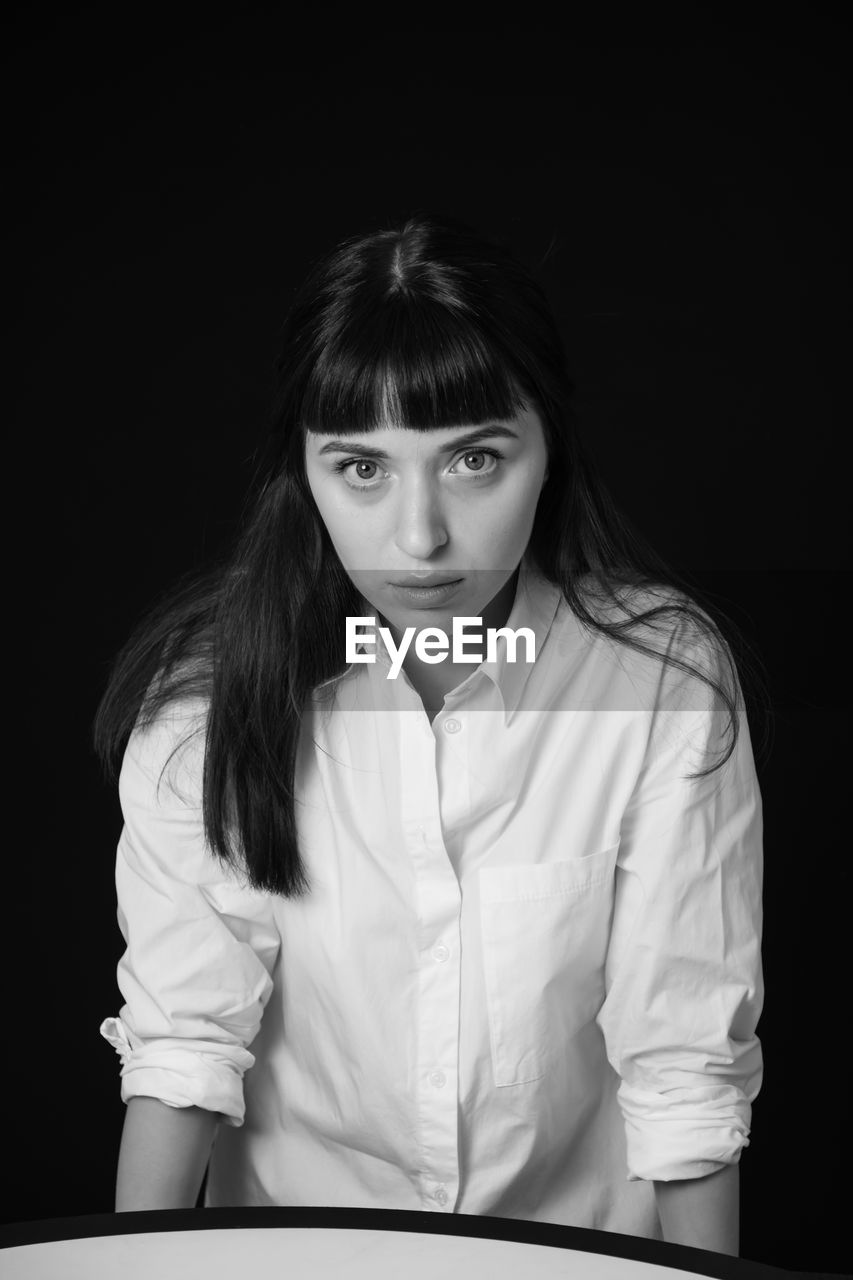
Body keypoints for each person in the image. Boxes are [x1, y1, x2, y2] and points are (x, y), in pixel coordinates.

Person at [95, 214, 765, 1255]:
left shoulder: (659, 680)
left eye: (473, 459)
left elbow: (683, 1066)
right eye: (360, 467)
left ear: (548, 448)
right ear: (303, 472)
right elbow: (185, 1044)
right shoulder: (207, 700)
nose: (418, 538)